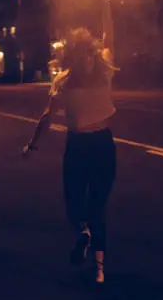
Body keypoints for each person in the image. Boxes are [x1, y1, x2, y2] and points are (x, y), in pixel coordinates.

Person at [22, 26, 118, 285]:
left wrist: (32, 145)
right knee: (98, 207)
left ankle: (83, 233)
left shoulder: (63, 80)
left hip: (78, 146)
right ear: (92, 52)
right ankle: (100, 269)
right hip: (103, 145)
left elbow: (48, 117)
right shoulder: (105, 72)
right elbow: (110, 44)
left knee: (74, 203)